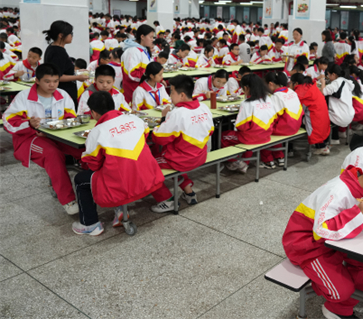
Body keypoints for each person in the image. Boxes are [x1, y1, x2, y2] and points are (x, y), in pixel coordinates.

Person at [282, 154, 363, 319]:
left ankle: (340, 309)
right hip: (306, 245)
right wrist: (359, 214)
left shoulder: (361, 187)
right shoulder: (338, 191)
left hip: (331, 242)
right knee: (342, 291)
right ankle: (333, 300)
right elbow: (321, 230)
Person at [72, 91, 164, 235]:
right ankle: (120, 208)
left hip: (124, 183)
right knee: (119, 165)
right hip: (149, 177)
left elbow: (94, 165)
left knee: (81, 179)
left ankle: (89, 224)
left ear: (94, 113)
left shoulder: (97, 132)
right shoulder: (135, 119)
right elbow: (145, 136)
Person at [2, 63, 81, 215]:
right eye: (47, 81)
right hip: (30, 138)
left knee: (84, 149)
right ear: (37, 80)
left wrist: (58, 128)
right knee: (52, 154)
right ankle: (68, 200)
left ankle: (95, 184)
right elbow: (8, 123)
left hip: (59, 135)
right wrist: (29, 124)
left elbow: (71, 117)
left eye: (56, 81)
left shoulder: (63, 95)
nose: (52, 85)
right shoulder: (24, 97)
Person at [149, 75, 214, 212]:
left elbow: (159, 138)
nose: (170, 96)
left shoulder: (178, 113)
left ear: (182, 95)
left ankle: (166, 201)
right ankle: (189, 192)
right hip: (200, 156)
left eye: (172, 92)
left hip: (182, 160)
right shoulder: (204, 108)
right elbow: (211, 131)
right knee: (177, 155)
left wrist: (163, 118)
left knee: (147, 166)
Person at [221, 74, 278, 173]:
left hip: (252, 138)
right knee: (251, 131)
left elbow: (241, 126)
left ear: (246, 88)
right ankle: (245, 162)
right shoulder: (268, 98)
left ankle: (236, 162)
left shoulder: (247, 103)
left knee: (223, 136)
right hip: (267, 134)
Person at [261, 72, 304, 169]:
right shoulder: (291, 91)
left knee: (263, 129)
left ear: (271, 84)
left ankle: (268, 160)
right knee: (277, 125)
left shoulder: (276, 96)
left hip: (286, 128)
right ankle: (279, 156)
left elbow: (273, 117)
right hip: (296, 126)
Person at [42, 20, 88, 103]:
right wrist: (77, 77)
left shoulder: (54, 48)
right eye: (70, 33)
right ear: (61, 35)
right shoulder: (58, 52)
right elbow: (57, 76)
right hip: (62, 93)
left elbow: (62, 68)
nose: (72, 36)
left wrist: (76, 72)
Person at [290, 74, 331, 155]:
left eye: (290, 83)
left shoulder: (300, 91)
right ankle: (322, 146)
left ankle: (290, 150)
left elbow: (296, 109)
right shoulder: (311, 87)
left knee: (290, 121)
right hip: (323, 118)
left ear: (296, 83)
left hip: (314, 119)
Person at [319, 64, 355, 145]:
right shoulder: (346, 81)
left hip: (340, 117)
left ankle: (322, 145)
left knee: (319, 115)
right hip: (349, 115)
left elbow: (323, 92)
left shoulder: (336, 83)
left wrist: (323, 82)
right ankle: (335, 138)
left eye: (328, 75)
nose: (328, 77)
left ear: (333, 74)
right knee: (333, 110)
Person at [122, 24, 155, 103]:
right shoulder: (133, 51)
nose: (152, 39)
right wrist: (152, 76)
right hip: (134, 90)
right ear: (142, 37)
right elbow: (132, 74)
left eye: (153, 37)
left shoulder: (143, 49)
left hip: (143, 88)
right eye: (150, 37)